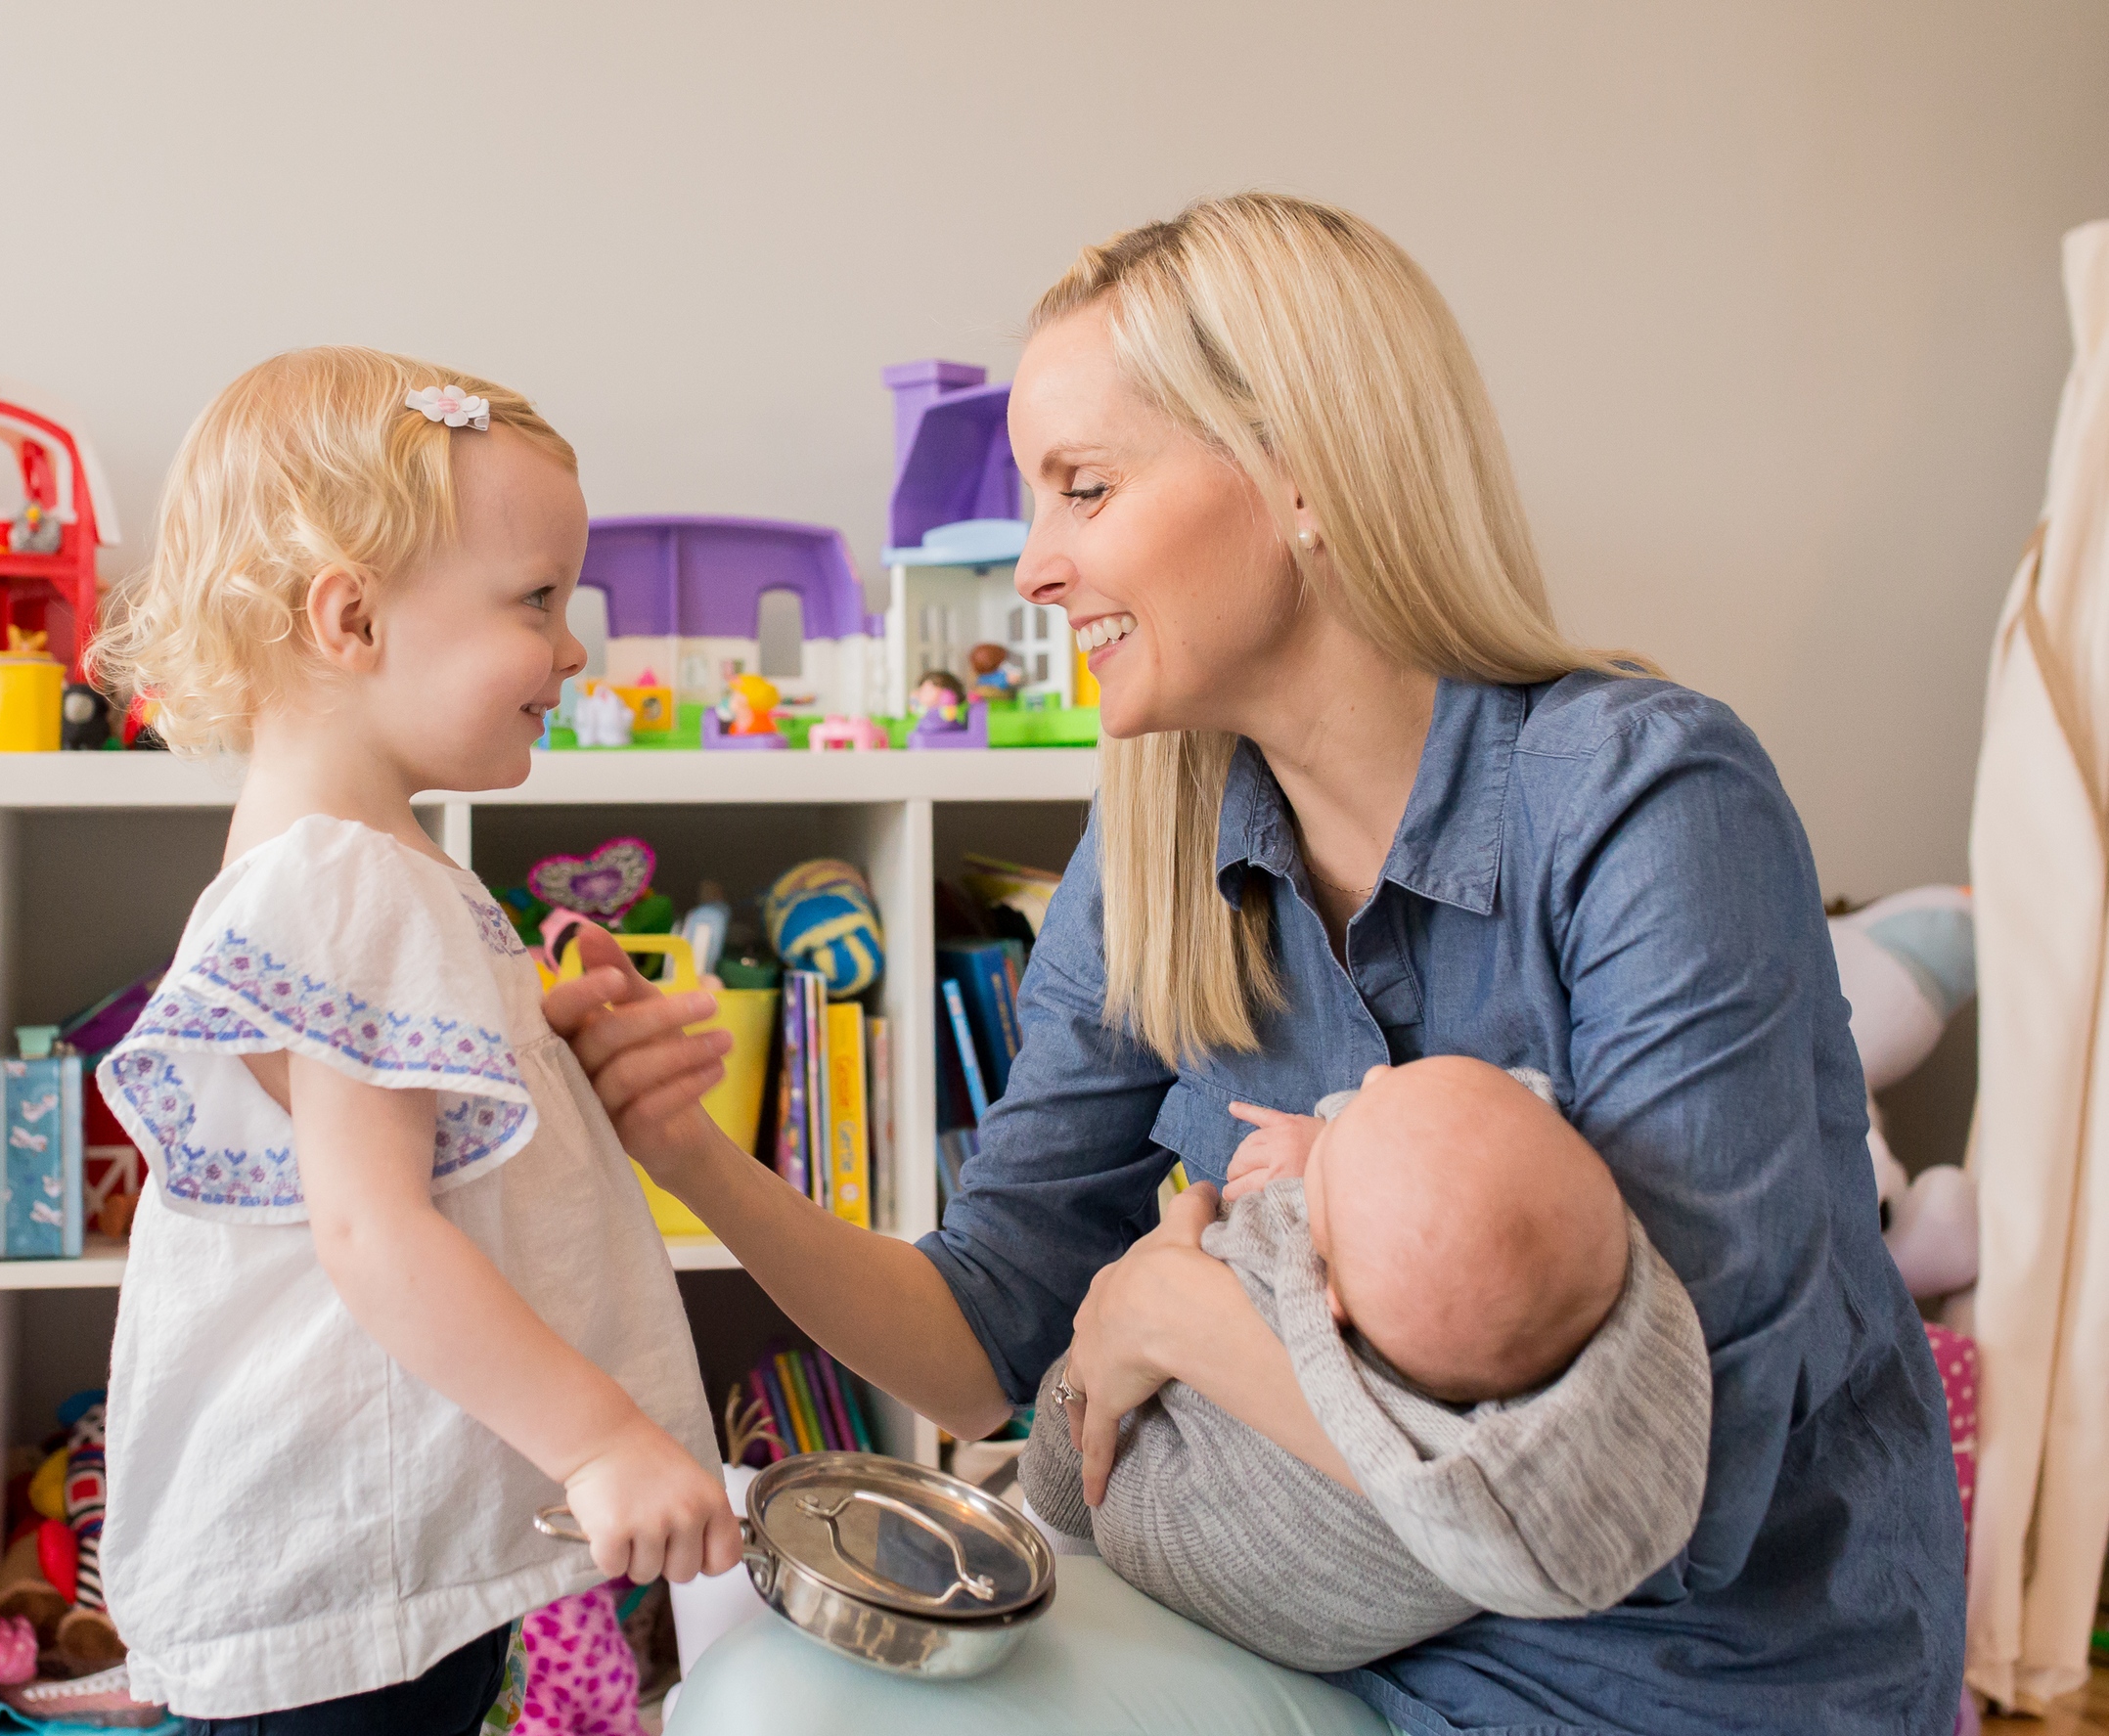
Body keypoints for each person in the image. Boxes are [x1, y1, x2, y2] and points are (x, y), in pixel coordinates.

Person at [549, 194, 1965, 1734]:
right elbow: (976, 1348)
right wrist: (685, 1147)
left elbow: (1662, 1494)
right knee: (775, 1693)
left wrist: (1189, 1327)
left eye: (1085, 487)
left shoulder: (1643, 800)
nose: (1033, 566)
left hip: (1686, 1674)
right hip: (1315, 1620)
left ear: (1302, 475)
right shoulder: (1162, 840)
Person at [89, 348, 738, 1730]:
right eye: (537, 600)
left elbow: (376, 1117)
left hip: (350, 1551)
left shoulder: (329, 857)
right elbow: (370, 1226)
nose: (571, 648)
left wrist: (537, 1032)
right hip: (343, 1572)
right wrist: (602, 1438)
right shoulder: (348, 876)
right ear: (352, 618)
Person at [1018, 1057, 1713, 1673]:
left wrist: (1207, 1236)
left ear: (1335, 1301)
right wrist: (1336, 1150)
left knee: (1082, 1383)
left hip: (1173, 1515)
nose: (1374, 1078)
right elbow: (1450, 1162)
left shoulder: (1314, 1293)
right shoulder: (1548, 1313)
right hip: (1344, 1623)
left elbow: (1189, 1281)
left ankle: (1044, 1526)